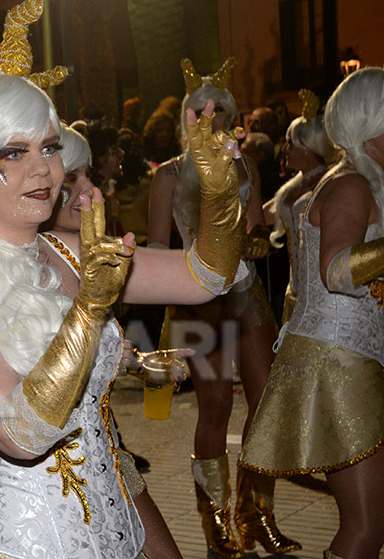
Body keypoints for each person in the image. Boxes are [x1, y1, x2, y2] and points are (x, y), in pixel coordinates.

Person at [0, 0, 246, 558]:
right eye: (11, 153)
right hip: (16, 545)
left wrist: (216, 191)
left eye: (47, 148)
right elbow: (21, 436)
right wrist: (89, 312)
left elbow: (206, 277)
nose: (42, 168)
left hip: (112, 528)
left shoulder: (70, 252)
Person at [147, 58, 300, 558]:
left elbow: (256, 226)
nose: (209, 116)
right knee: (216, 405)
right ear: (186, 117)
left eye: (219, 109)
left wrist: (257, 241)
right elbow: (154, 252)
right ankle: (217, 528)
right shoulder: (167, 177)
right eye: (199, 109)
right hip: (197, 302)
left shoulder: (245, 166)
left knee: (267, 403)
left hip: (245, 292)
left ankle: (254, 513)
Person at [241, 66, 384, 559]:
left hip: (347, 358)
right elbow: (338, 272)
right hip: (337, 363)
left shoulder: (358, 182)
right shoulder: (351, 186)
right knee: (366, 527)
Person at [263, 89, 330, 323]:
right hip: (293, 289)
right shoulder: (293, 186)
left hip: (320, 292)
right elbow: (262, 215)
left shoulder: (328, 183)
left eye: (290, 142)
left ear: (307, 147)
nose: (284, 149)